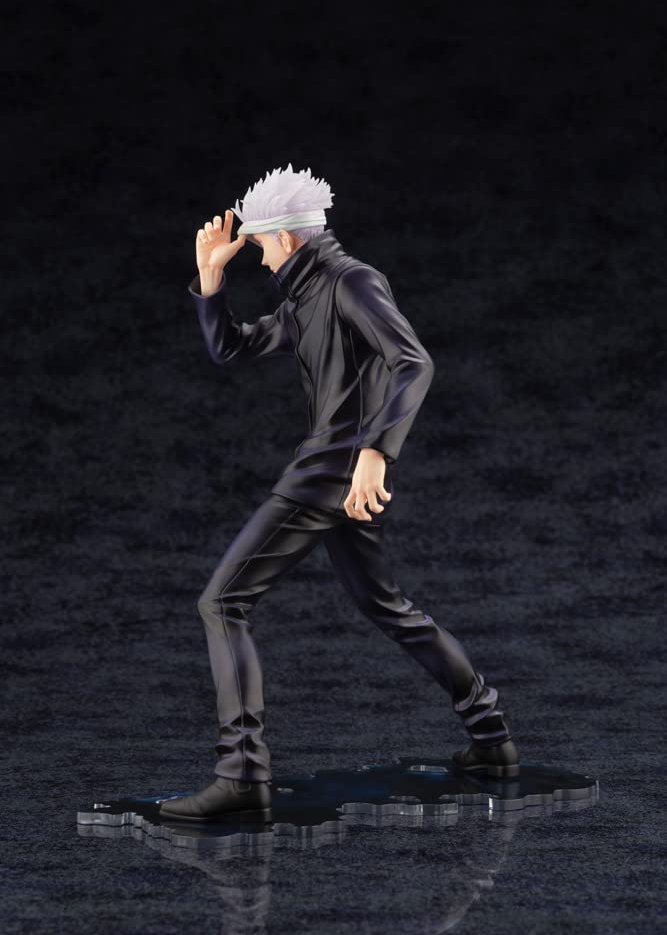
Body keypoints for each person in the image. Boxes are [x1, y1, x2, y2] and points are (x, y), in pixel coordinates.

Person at [159, 164, 519, 823]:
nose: (259, 257)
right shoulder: (304, 295)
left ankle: (241, 773)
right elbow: (233, 350)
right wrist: (209, 281)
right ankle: (492, 740)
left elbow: (413, 362)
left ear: (285, 239)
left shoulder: (351, 282)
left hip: (330, 473)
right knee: (388, 607)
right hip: (341, 478)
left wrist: (376, 453)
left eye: (259, 246)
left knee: (222, 603)